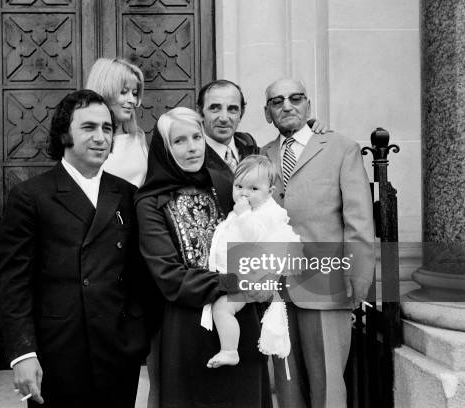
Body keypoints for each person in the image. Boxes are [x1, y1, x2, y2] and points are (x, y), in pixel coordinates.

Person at [0, 90, 151, 407]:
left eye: (107, 129)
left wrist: (137, 332)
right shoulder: (30, 196)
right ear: (64, 134)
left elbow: (139, 272)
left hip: (117, 349)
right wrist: (23, 353)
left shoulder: (126, 193)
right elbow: (13, 282)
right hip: (57, 352)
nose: (101, 137)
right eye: (89, 128)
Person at [135, 107, 272, 408]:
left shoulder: (226, 184)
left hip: (239, 318)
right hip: (187, 325)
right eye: (179, 141)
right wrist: (237, 283)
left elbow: (258, 231)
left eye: (197, 136)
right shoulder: (151, 202)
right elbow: (169, 276)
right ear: (165, 149)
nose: (193, 147)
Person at [261, 78, 375, 408]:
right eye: (277, 101)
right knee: (286, 381)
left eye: (295, 98)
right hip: (276, 287)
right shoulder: (263, 153)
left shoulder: (341, 147)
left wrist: (360, 275)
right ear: (267, 112)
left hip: (327, 280)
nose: (286, 105)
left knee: (327, 383)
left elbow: (359, 218)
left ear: (308, 105)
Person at [203, 155, 301, 370]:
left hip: (252, 277)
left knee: (222, 309)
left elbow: (254, 237)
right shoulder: (248, 210)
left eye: (254, 189)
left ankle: (229, 350)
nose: (244, 193)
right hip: (238, 275)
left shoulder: (266, 213)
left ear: (270, 192)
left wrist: (244, 214)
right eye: (238, 186)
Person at [197, 79, 328, 180]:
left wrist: (305, 129)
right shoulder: (191, 155)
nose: (224, 118)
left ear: (241, 114)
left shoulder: (249, 145)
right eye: (214, 108)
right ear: (200, 112)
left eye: (232, 109)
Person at [86, 57, 149, 187]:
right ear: (104, 91)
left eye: (135, 93)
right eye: (124, 92)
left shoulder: (138, 138)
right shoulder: (85, 141)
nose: (132, 100)